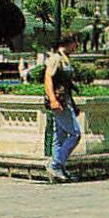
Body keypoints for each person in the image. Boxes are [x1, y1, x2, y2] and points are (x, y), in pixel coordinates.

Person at [43, 33, 82, 181]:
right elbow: (48, 79)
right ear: (69, 42)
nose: (76, 46)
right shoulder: (55, 58)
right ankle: (55, 164)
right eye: (75, 43)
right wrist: (52, 99)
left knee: (59, 137)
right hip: (59, 101)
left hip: (65, 100)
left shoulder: (65, 59)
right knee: (75, 134)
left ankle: (59, 170)